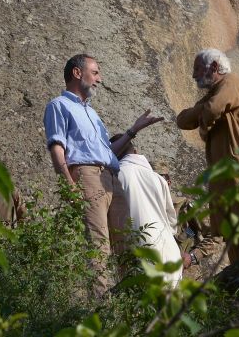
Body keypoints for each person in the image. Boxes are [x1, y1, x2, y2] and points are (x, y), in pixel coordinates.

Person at [43, 53, 164, 296]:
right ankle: (103, 311)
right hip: (87, 177)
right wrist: (69, 186)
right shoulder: (59, 105)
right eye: (95, 72)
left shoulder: (93, 114)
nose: (99, 79)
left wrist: (132, 131)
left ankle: (127, 304)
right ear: (78, 73)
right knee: (98, 245)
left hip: (110, 178)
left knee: (126, 243)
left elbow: (108, 153)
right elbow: (57, 149)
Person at [175, 48, 239, 262]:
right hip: (224, 178)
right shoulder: (214, 93)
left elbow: (213, 109)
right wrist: (203, 114)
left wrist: (203, 117)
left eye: (197, 69)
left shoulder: (230, 84)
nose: (194, 75)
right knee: (230, 230)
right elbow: (182, 120)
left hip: (238, 173)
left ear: (214, 67)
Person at [112, 136, 189, 286]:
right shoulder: (158, 178)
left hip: (140, 252)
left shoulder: (115, 177)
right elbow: (172, 220)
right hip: (169, 252)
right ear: (136, 151)